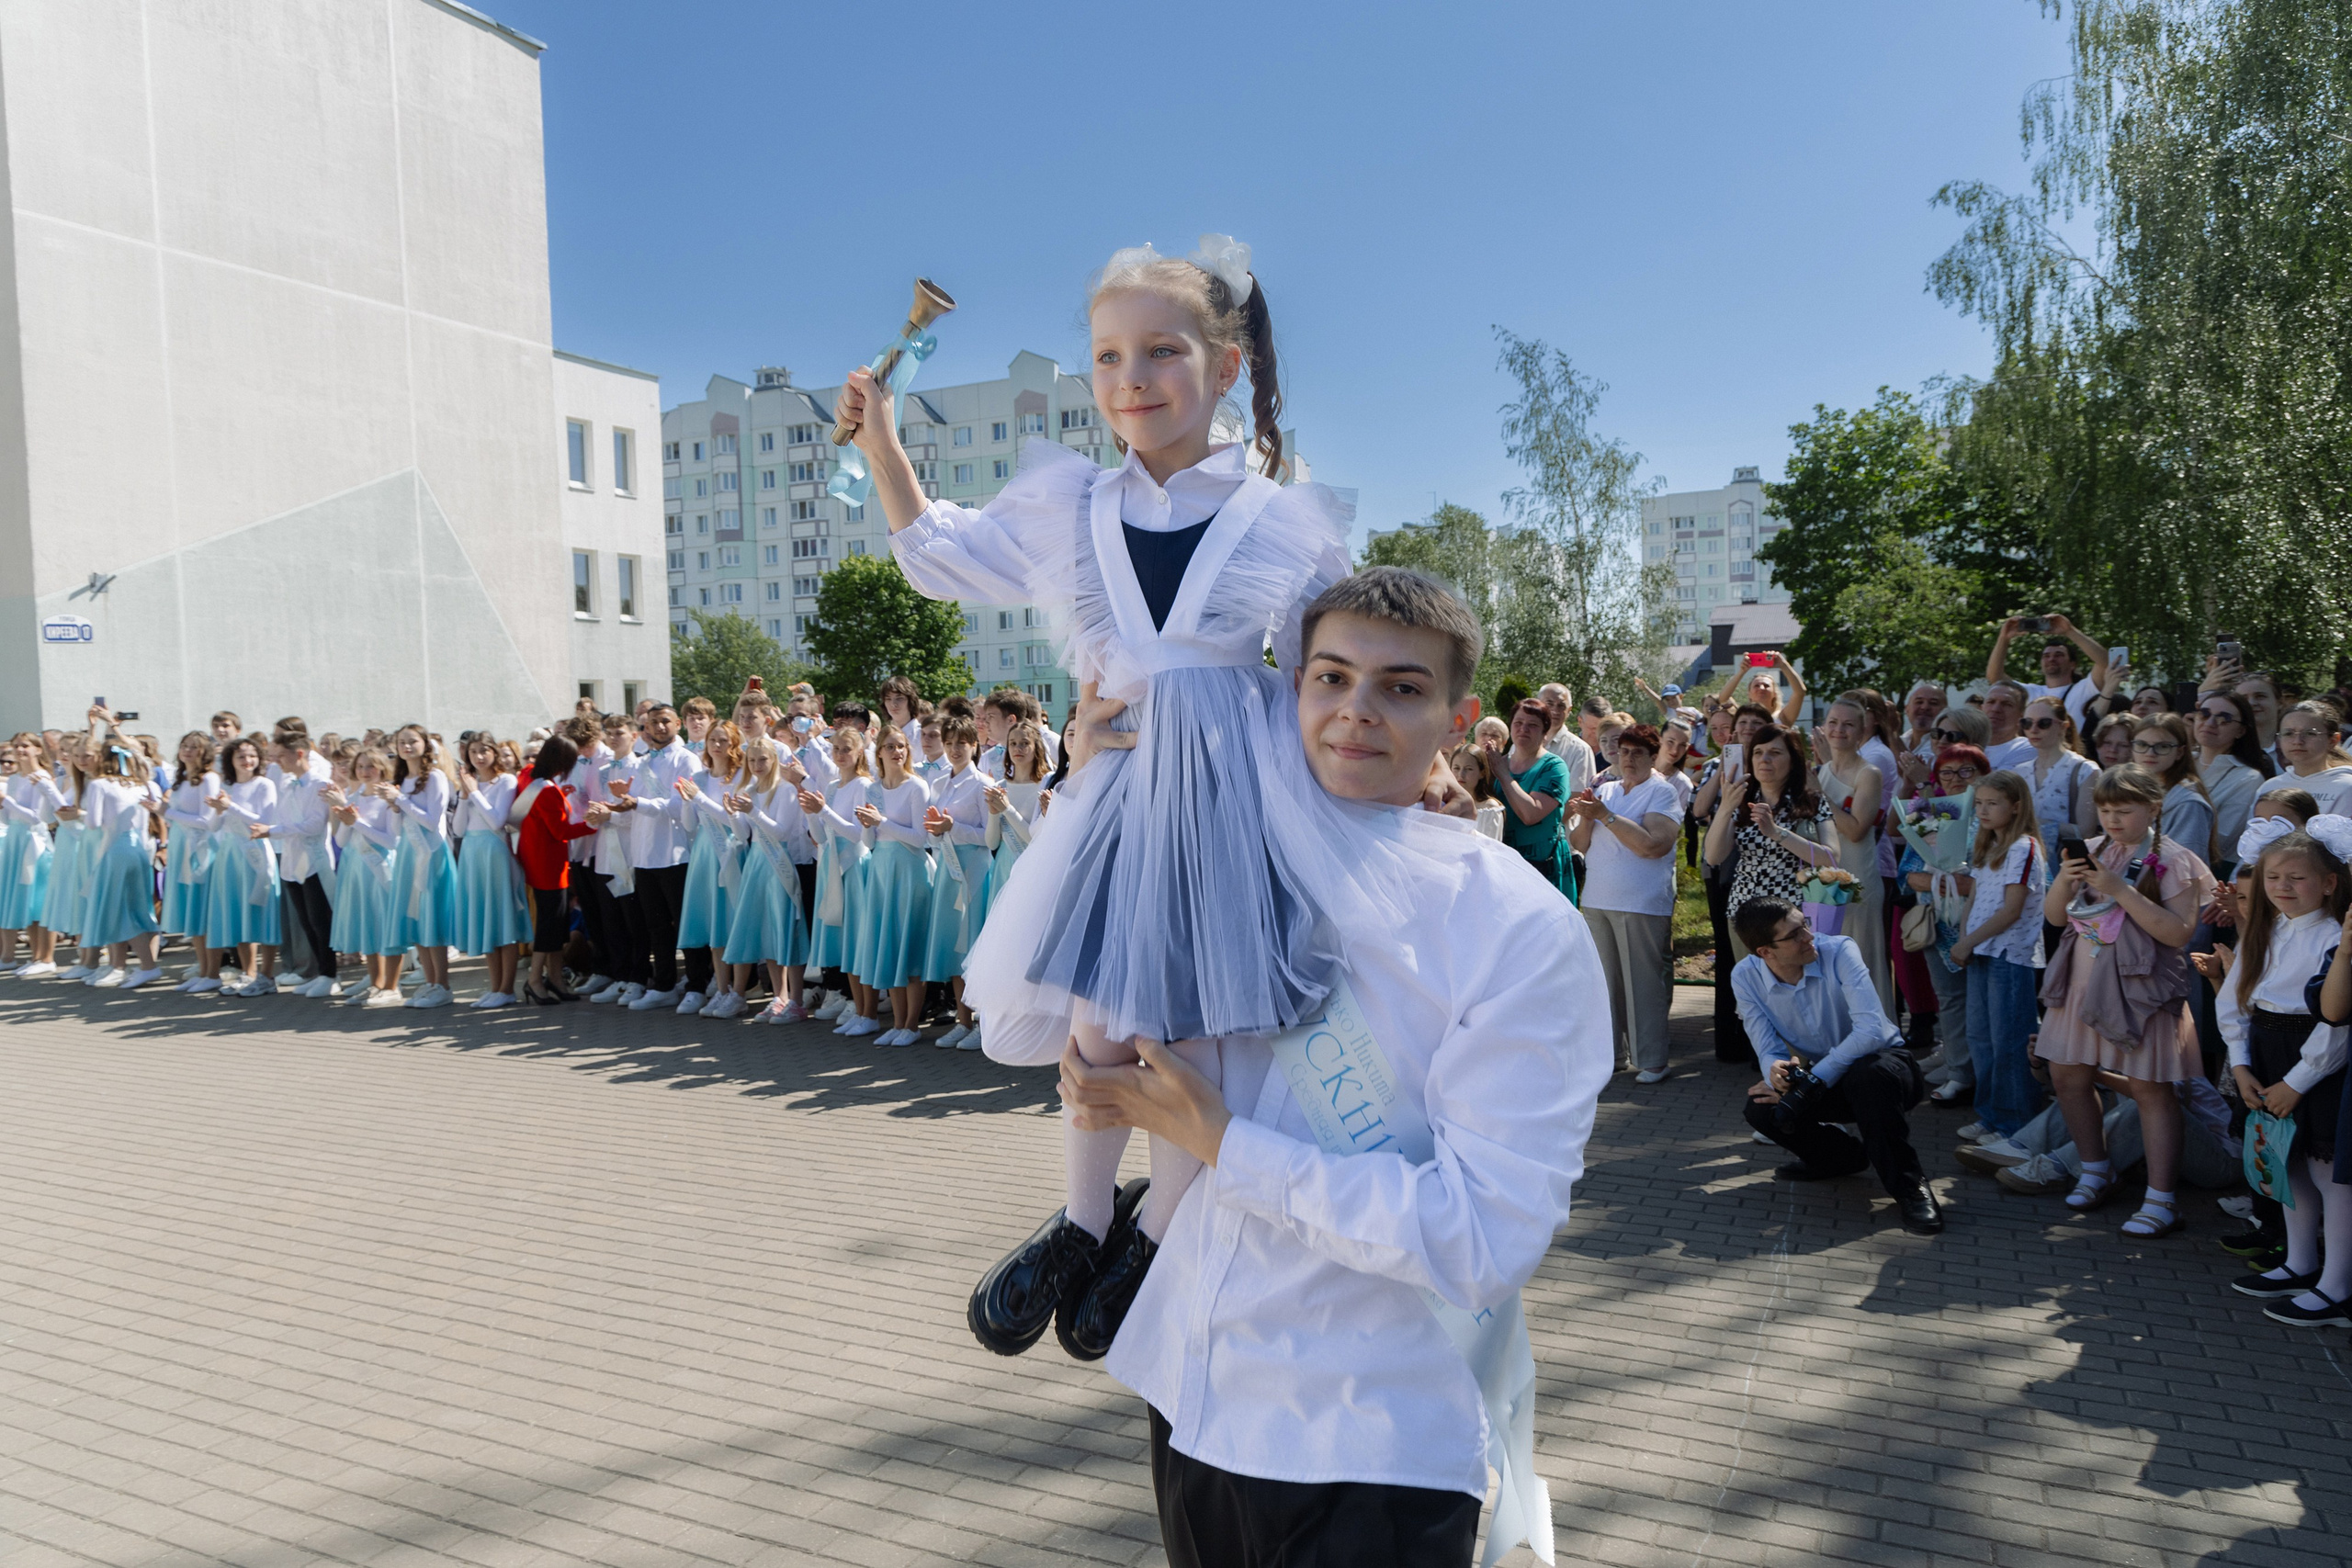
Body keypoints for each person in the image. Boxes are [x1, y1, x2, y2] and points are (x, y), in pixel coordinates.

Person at [1053, 567, 1608, 1568]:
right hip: (1190, 1393)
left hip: (1363, 1442)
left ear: (1458, 716)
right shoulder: (1225, 862)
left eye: (1399, 687)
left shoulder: (1515, 929)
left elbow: (1478, 1240)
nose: (1355, 711)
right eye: (1330, 678)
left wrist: (1222, 1141)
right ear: (1291, 689)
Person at [2036, 763, 2215, 1238]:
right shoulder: (2091, 849)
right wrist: (2064, 881)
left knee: (2151, 1086)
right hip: (2082, 979)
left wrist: (2118, 888)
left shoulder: (2176, 860)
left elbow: (2177, 933)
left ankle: (2162, 1199)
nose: (2113, 819)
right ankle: (2096, 1169)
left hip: (2142, 987)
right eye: (2105, 809)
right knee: (2066, 1074)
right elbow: (2055, 918)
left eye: (2124, 809)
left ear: (2154, 807)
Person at [1733, 899, 1942, 1234]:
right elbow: (1766, 1047)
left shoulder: (1840, 950)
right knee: (1762, 1109)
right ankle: (1841, 1159)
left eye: (1805, 924)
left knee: (1868, 1075)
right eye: (1794, 934)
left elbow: (1871, 1030)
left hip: (1889, 1067)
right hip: (1829, 1076)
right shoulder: (1744, 976)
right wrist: (1776, 1073)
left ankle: (1911, 1189)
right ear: (1765, 952)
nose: (1808, 936)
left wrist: (1814, 1079)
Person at [2224, 819, 2352, 1326]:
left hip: (2314, 1063)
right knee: (2287, 1161)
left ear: (2328, 882)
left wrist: (2299, 1081)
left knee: (2330, 1174)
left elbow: (2336, 1023)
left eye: (2296, 878)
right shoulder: (2267, 928)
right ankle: (2301, 1262)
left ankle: (2338, 1282)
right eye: (2273, 876)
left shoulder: (2333, 937)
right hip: (2265, 1051)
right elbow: (2235, 998)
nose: (2281, 887)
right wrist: (2238, 1062)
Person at [1567, 722, 1683, 1081]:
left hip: (1641, 903)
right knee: (1605, 984)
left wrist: (1605, 816)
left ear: (1653, 756)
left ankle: (1652, 1060)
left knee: (1643, 985)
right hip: (1598, 900)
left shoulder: (1661, 793)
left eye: (1637, 752)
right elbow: (1579, 844)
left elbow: (1653, 845)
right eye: (1623, 751)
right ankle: (1612, 1056)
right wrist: (1586, 816)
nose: (1628, 758)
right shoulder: (1608, 789)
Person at [1950, 770, 2047, 1145]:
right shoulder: (1989, 845)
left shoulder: (2023, 847)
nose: (1984, 811)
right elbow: (1973, 898)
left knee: (2009, 1038)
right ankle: (1991, 1115)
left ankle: (2015, 1122)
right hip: (1981, 949)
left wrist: (1968, 941)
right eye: (1980, 804)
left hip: (2009, 953)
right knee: (1981, 1036)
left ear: (2016, 806)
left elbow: (2012, 910)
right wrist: (1963, 939)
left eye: (1993, 803)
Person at [1903, 744, 1990, 1106]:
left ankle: (1982, 1073)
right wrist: (1944, 881)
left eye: (1966, 771)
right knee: (1951, 1001)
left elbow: (1996, 878)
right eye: (1947, 773)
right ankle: (1959, 1071)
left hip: (1982, 925)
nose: (1956, 780)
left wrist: (1962, 882)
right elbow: (1909, 874)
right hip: (1935, 922)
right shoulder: (1929, 813)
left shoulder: (1992, 817)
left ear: (1983, 774)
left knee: (1982, 1003)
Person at [607, 704, 699, 1011]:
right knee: (656, 926)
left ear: (677, 724)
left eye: (664, 722)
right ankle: (664, 985)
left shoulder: (687, 759)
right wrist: (620, 805)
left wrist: (636, 803)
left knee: (685, 923)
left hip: (675, 852)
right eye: (652, 723)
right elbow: (635, 808)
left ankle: (697, 985)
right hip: (645, 855)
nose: (658, 728)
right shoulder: (641, 762)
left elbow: (678, 806)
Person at [1705, 722, 1832, 939]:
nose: (1764, 759)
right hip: (1745, 913)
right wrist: (1726, 808)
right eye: (1758, 752)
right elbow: (1713, 856)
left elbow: (1830, 857)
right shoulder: (1740, 802)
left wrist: (1777, 833)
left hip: (1793, 917)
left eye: (1774, 753)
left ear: (1793, 760)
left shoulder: (1813, 802)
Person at [720, 735, 814, 1025]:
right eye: (752, 760)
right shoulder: (749, 788)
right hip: (758, 862)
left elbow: (782, 832)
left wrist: (753, 811)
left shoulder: (784, 790)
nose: (758, 765)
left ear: (774, 760)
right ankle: (779, 995)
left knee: (787, 928)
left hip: (780, 862)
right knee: (766, 930)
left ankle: (796, 1000)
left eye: (763, 759)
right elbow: (742, 833)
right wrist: (734, 814)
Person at [850, 727, 933, 1045]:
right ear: (879, 752)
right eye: (889, 746)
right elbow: (869, 841)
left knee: (908, 949)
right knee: (890, 945)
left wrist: (882, 822)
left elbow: (919, 838)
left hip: (909, 871)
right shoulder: (872, 789)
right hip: (882, 870)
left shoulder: (917, 786)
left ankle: (912, 1024)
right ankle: (897, 1023)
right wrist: (868, 826)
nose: (896, 751)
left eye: (901, 746)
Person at [510, 733, 599, 1005]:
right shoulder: (547, 790)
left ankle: (556, 980)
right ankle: (535, 980)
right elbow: (560, 830)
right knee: (550, 929)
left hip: (535, 859)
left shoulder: (528, 775)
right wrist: (593, 823)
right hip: (550, 865)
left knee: (556, 926)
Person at [800, 723, 877, 1038]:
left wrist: (824, 812)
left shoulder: (864, 785)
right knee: (845, 943)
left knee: (858, 941)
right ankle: (856, 1005)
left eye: (847, 748)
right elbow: (820, 836)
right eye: (836, 749)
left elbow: (859, 834)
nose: (841, 754)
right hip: (833, 867)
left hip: (855, 867)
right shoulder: (831, 786)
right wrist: (810, 813)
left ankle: (867, 1010)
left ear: (860, 750)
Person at [921, 715, 993, 1047]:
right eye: (948, 743)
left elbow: (989, 837)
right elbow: (935, 834)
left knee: (974, 944)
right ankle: (963, 1021)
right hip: (949, 869)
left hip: (974, 870)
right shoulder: (939, 784)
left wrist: (953, 828)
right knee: (953, 944)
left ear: (974, 745)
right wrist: (937, 833)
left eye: (960, 743)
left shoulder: (982, 784)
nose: (954, 750)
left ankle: (983, 1022)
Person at [1814, 694, 1891, 1009]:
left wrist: (1818, 795)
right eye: (1833, 722)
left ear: (1861, 732)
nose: (1838, 730)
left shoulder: (1868, 773)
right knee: (1830, 963)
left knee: (1863, 961)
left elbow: (1857, 830)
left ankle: (1877, 1037)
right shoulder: (1821, 771)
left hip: (1858, 879)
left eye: (1848, 725)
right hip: (1827, 880)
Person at [673, 721, 748, 1019]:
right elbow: (690, 824)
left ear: (733, 744)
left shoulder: (741, 777)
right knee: (714, 925)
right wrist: (685, 802)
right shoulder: (699, 777)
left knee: (734, 923)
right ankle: (722, 988)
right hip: (705, 852)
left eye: (722, 740)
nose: (716, 745)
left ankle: (739, 991)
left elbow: (736, 822)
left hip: (731, 851)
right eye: (712, 740)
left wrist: (699, 799)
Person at [257, 733, 340, 998]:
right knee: (305, 920)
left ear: (299, 754)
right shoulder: (288, 784)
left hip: (313, 860)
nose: (276, 760)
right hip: (292, 860)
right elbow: (280, 818)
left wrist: (274, 830)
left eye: (281, 755)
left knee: (320, 920)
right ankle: (319, 973)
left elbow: (315, 825)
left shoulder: (319, 783)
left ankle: (330, 974)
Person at [452, 736, 529, 1009]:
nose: (478, 756)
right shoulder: (471, 784)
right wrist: (464, 795)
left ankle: (507, 988)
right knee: (485, 920)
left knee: (502, 919)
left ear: (494, 752)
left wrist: (473, 792)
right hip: (472, 852)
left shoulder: (506, 781)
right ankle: (495, 986)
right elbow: (458, 829)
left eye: (484, 750)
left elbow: (497, 820)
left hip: (494, 851)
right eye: (473, 751)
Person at [200, 738, 281, 998]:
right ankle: (249, 973)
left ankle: (267, 974)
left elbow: (264, 822)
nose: (247, 761)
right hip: (230, 856)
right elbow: (213, 827)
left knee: (263, 914)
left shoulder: (264, 784)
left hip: (256, 853)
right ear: (230, 761)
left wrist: (231, 806)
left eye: (252, 756)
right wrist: (218, 810)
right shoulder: (226, 785)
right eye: (241, 757)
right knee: (239, 914)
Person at [387, 725, 459, 1009]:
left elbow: (432, 821)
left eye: (412, 741)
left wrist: (401, 802)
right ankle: (430, 983)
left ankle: (443, 984)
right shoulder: (401, 780)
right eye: (401, 742)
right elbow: (396, 829)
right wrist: (394, 807)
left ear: (425, 745)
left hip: (431, 854)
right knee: (415, 916)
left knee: (432, 918)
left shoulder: (437, 777)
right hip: (408, 853)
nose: (407, 746)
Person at [1485, 698, 1575, 899]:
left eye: (1532, 725)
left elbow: (1531, 814)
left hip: (1543, 865)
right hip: (1504, 862)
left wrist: (1504, 776)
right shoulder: (1500, 762)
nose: (1523, 729)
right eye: (1518, 723)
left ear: (1545, 732)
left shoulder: (1554, 767)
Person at [2191, 689, 2274, 868]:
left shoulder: (2248, 778)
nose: (2210, 723)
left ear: (2241, 731)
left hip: (2209, 871)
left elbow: (2220, 842)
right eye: (2204, 714)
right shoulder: (2178, 761)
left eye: (2224, 719)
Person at [1985, 614, 2110, 730]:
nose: (2051, 659)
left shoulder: (2085, 688)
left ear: (2073, 664)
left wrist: (2069, 631)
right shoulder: (2031, 692)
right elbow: (1995, 678)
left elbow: (2105, 663)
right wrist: (2004, 638)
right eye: (2046, 656)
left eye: (2059, 655)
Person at [0, 734, 58, 977]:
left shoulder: (41, 777)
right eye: (17, 746)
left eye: (25, 745)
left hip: (34, 842)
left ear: (37, 749)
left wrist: (7, 801)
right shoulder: (14, 779)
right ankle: (35, 955)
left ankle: (47, 957)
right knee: (29, 903)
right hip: (16, 839)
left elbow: (37, 817)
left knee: (40, 901)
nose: (20, 750)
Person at [2133, 713, 2214, 868]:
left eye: (2162, 746)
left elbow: (2184, 866)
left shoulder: (2189, 803)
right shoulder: (2130, 789)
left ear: (2180, 752)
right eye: (2142, 745)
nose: (2150, 753)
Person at [2256, 700, 2352, 816]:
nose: (2298, 741)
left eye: (2310, 733)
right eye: (2288, 733)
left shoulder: (2347, 787)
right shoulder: (2270, 787)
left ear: (2333, 741)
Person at [1536, 682, 1597, 796]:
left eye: (1561, 706)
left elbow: (1577, 798)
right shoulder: (1523, 743)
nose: (1555, 710)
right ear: (1538, 705)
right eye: (1549, 704)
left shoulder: (1580, 750)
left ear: (1569, 710)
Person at [1980, 681, 2036, 771]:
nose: (1995, 709)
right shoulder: (1966, 743)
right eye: (1991, 702)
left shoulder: (2027, 748)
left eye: (2007, 704)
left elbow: (1996, 784)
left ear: (2022, 715)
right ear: (1982, 708)